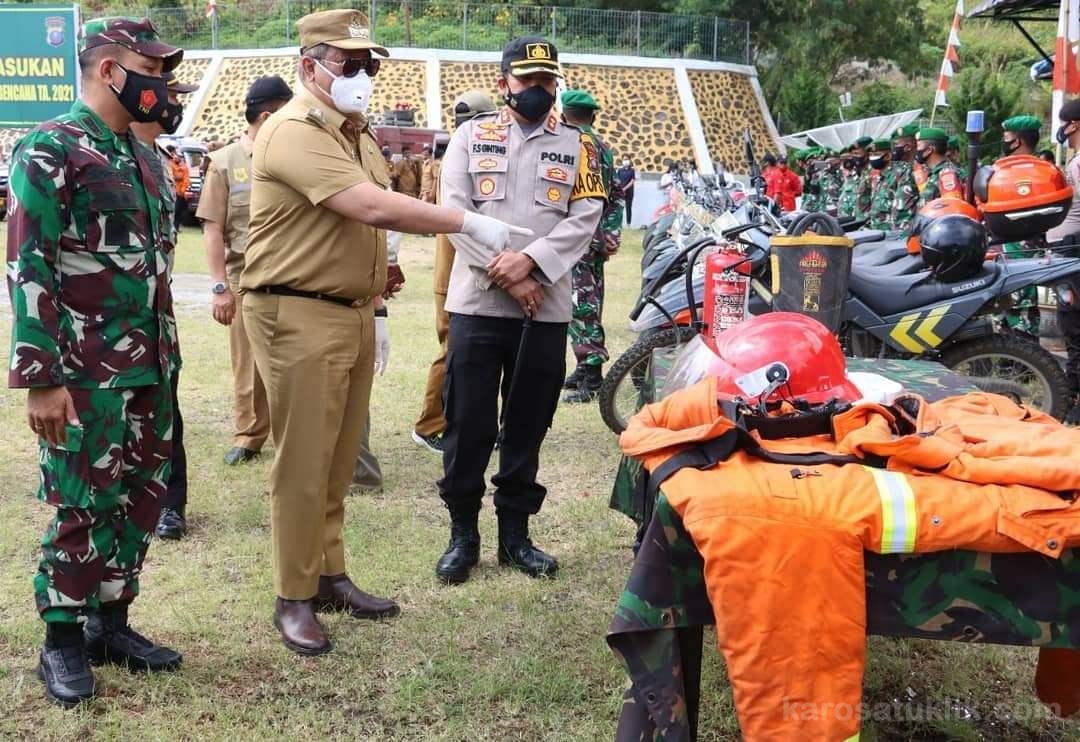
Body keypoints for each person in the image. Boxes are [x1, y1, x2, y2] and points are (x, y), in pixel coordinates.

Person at [240, 9, 526, 654]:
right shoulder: (293, 129)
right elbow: (366, 203)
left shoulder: (356, 133)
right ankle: (294, 594)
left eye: (370, 63)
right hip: (297, 310)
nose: (363, 74)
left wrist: (380, 269)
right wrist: (467, 223)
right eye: (349, 62)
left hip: (350, 308)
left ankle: (329, 573)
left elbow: (368, 219)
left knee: (339, 457)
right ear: (309, 65)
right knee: (303, 461)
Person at [7, 16, 185, 707]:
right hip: (83, 372)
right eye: (152, 67)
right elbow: (29, 267)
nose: (161, 84)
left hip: (150, 365)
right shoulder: (51, 146)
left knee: (139, 498)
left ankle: (111, 621)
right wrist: (40, 377)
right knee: (81, 501)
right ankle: (61, 639)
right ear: (110, 69)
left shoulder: (141, 156)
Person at [434, 35, 604, 585]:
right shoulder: (467, 136)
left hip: (545, 308)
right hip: (479, 304)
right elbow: (454, 211)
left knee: (528, 423)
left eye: (547, 81)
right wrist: (507, 274)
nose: (539, 90)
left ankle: (516, 536)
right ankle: (463, 535)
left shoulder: (582, 146)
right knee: (468, 423)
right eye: (528, 80)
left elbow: (585, 219)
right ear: (503, 79)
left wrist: (531, 264)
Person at [197, 76, 292, 475]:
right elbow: (213, 228)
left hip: (295, 276)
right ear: (267, 116)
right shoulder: (225, 163)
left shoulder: (293, 158)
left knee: (297, 362)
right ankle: (249, 434)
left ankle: (295, 435)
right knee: (248, 363)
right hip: (245, 279)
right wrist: (220, 287)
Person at [129, 70, 200, 541]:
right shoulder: (104, 155)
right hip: (104, 325)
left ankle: (170, 505)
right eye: (171, 95)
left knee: (166, 415)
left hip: (158, 316)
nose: (175, 104)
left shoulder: (162, 161)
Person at [412, 90, 496, 454]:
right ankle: (430, 425)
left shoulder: (469, 158)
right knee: (452, 353)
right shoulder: (458, 163)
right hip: (455, 276)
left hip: (461, 273)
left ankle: (461, 423)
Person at [560, 89, 623, 404]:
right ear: (592, 116)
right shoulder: (604, 147)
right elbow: (617, 196)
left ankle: (593, 375)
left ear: (564, 114)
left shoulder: (573, 145)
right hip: (592, 239)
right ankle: (584, 366)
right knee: (582, 303)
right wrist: (610, 235)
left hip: (577, 239)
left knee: (582, 305)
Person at [1046, 100, 1080, 424]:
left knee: (1075, 329)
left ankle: (1075, 405)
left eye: (1065, 124)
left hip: (1075, 251)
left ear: (1074, 124)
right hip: (1069, 251)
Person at [997, 115, 1045, 337]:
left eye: (1007, 138)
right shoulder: (1002, 169)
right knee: (1004, 306)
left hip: (1024, 251)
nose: (1003, 142)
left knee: (1023, 306)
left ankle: (1024, 363)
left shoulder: (1039, 171)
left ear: (1017, 142)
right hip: (1003, 248)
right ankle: (1007, 361)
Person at [913, 127, 962, 207]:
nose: (915, 150)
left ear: (929, 150)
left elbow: (952, 210)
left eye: (918, 146)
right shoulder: (934, 173)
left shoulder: (947, 174)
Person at [889, 124, 920, 231]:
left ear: (908, 147)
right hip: (898, 231)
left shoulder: (919, 169)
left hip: (910, 232)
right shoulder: (906, 168)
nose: (893, 149)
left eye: (896, 145)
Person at [867, 139, 894, 230]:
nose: (872, 158)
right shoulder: (878, 178)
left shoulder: (897, 176)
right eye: (870, 155)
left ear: (888, 156)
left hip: (891, 235)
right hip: (876, 232)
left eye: (876, 154)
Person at [165, 145, 190, 231]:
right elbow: (175, 176)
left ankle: (177, 226)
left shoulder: (179, 164)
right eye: (174, 153)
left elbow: (184, 176)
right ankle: (173, 227)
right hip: (174, 191)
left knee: (181, 210)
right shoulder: (169, 163)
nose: (176, 155)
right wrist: (181, 171)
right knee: (175, 210)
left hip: (181, 191)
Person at [615, 155, 636, 226]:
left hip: (629, 192)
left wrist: (625, 188)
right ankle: (618, 224)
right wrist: (619, 189)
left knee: (628, 208)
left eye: (626, 159)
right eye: (624, 159)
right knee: (619, 208)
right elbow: (617, 180)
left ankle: (628, 224)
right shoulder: (620, 170)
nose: (625, 161)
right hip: (620, 192)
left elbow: (632, 181)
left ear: (630, 160)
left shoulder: (632, 170)